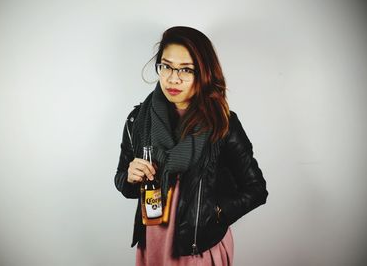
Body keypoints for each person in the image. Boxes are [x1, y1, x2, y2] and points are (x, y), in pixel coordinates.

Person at [114, 26, 268, 265]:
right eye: (166, 66)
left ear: (204, 73)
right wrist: (130, 178)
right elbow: (123, 181)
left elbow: (256, 189)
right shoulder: (138, 120)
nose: (173, 78)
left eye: (186, 70)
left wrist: (216, 213)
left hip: (199, 247)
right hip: (153, 242)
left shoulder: (222, 124)